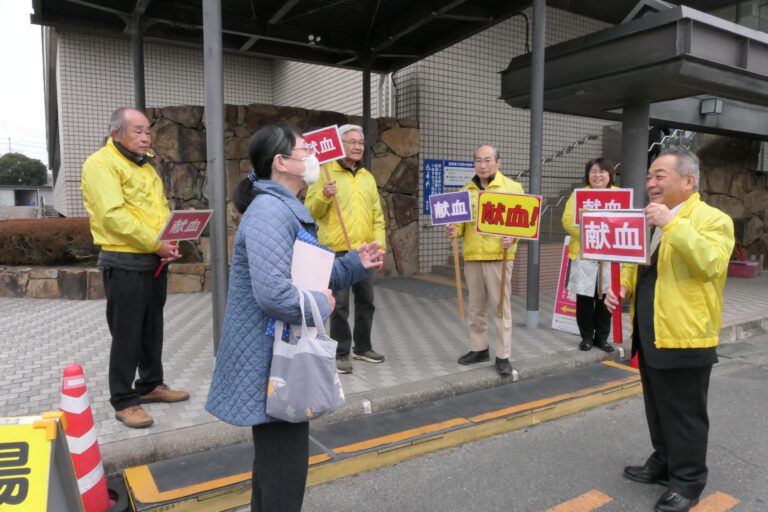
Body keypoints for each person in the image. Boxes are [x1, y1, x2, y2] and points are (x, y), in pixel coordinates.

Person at [205, 124, 384, 512]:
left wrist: (354, 263)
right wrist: (322, 305)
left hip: (280, 357)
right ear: (281, 162)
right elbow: (275, 294)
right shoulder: (271, 212)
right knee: (284, 473)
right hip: (273, 361)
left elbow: (310, 275)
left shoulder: (283, 208)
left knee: (275, 470)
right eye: (305, 151)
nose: (313, 159)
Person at [605, 149, 734, 512]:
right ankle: (663, 463)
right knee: (657, 407)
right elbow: (639, 263)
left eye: (660, 176)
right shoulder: (650, 220)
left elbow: (710, 263)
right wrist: (623, 288)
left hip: (686, 334)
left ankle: (688, 482)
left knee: (685, 414)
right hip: (650, 332)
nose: (650, 184)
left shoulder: (713, 219)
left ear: (688, 181)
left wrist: (670, 224)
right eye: (649, 176)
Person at [81, 107, 188, 429]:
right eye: (138, 131)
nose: (146, 137)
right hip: (124, 259)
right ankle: (124, 400)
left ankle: (151, 384)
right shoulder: (101, 164)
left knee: (151, 327)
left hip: (152, 258)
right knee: (126, 333)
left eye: (148, 131)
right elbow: (113, 215)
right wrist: (156, 242)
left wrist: (170, 240)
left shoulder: (146, 167)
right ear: (116, 133)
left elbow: (156, 211)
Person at [305, 124, 387, 374]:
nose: (358, 146)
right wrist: (325, 196)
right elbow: (310, 212)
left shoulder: (367, 177)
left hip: (364, 251)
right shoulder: (323, 173)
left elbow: (377, 215)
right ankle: (340, 353)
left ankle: (362, 347)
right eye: (352, 141)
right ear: (339, 144)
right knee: (339, 305)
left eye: (361, 142)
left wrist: (379, 247)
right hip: (336, 251)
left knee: (367, 300)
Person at [446, 145, 524, 376]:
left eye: (487, 160)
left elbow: (524, 222)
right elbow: (459, 228)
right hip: (473, 257)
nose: (482, 165)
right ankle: (479, 348)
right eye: (478, 160)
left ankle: (503, 355)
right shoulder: (465, 191)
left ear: (498, 163)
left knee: (501, 307)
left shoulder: (512, 188)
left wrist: (514, 236)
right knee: (476, 307)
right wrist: (453, 230)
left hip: (500, 256)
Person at [561, 158, 617, 352]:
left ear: (610, 174)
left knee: (605, 298)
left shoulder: (619, 195)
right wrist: (591, 233)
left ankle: (602, 338)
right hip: (584, 254)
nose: (597, 175)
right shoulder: (579, 195)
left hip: (609, 256)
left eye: (602, 171)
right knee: (584, 299)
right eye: (593, 171)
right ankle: (586, 337)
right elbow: (567, 220)